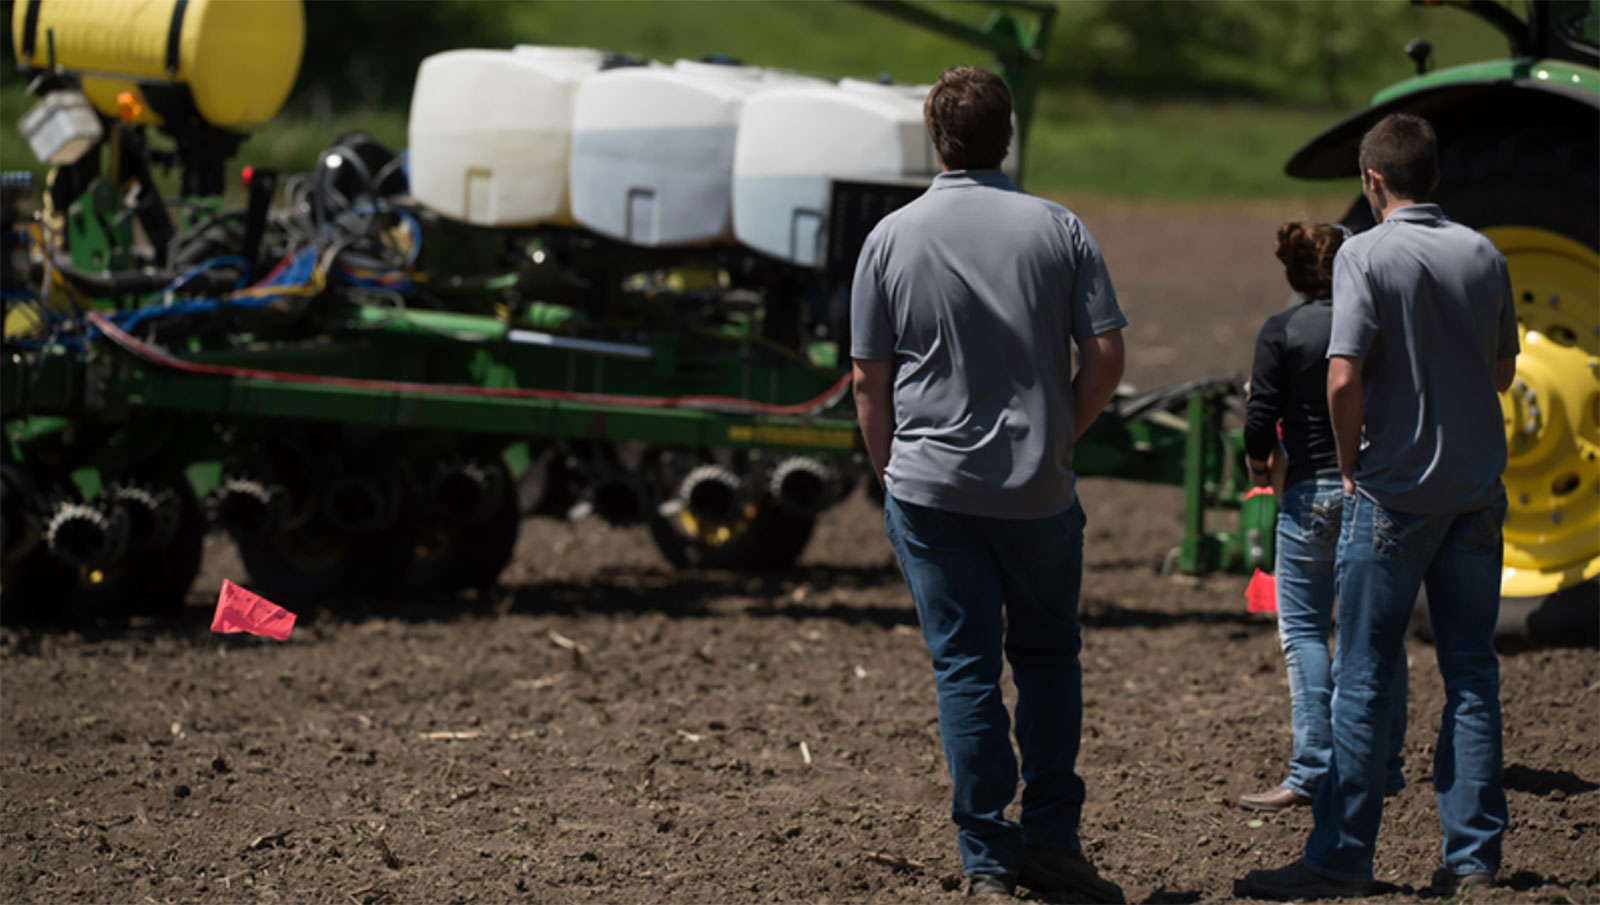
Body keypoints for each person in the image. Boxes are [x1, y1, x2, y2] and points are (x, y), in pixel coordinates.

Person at [850, 64, 1127, 903]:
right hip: (1037, 491)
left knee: (964, 668)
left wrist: (890, 469)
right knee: (1047, 657)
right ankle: (1051, 838)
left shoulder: (891, 238)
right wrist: (1058, 441)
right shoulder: (1059, 228)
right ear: (1007, 136)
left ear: (935, 137)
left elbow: (869, 379)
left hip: (931, 491)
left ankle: (986, 859)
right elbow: (1106, 358)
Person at [1243, 112, 1518, 900]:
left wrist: (1353, 458)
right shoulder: (1483, 252)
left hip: (1395, 494)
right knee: (1471, 672)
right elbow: (1503, 373)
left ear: (1372, 181)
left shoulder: (1364, 253)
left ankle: (1339, 858)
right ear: (1435, 176)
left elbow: (1340, 376)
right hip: (1475, 493)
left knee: (1362, 673)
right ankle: (1472, 858)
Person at [1238, 221, 1407, 814]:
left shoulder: (1283, 330)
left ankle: (1312, 768)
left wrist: (1259, 465)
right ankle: (1385, 765)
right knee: (1379, 631)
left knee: (1306, 631)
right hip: (1376, 492)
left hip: (1309, 494)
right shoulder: (1377, 324)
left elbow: (1260, 414)